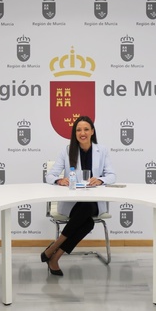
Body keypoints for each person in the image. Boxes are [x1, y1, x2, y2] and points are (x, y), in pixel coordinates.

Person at [43, 116, 116, 276]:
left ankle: (54, 249)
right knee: (87, 223)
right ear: (74, 133)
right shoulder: (67, 150)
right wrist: (59, 179)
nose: (82, 133)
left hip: (94, 203)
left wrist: (100, 179)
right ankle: (54, 257)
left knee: (88, 206)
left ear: (92, 132)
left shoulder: (101, 150)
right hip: (73, 203)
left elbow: (112, 175)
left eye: (86, 129)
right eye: (78, 130)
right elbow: (50, 175)